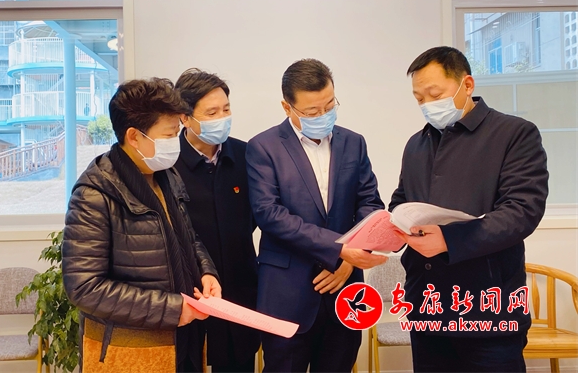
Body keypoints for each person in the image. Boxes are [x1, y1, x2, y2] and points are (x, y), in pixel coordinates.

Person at [392, 46, 548, 372]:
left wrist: (449, 239)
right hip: (427, 305)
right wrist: (391, 225)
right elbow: (402, 200)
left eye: (435, 94)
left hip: (488, 308)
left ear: (467, 84)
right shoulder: (417, 144)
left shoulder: (513, 134)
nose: (427, 104)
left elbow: (522, 211)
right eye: (419, 98)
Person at [62, 78, 222, 373]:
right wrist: (171, 309)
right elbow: (84, 287)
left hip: (183, 341)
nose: (176, 141)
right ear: (134, 136)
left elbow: (187, 237)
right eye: (169, 134)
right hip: (132, 350)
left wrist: (206, 271)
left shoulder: (166, 175)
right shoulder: (94, 194)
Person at [246, 58, 388, 372]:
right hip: (287, 292)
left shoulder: (354, 143)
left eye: (329, 105)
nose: (323, 116)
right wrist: (339, 249)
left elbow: (370, 203)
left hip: (345, 292)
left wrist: (349, 260)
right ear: (287, 107)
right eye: (312, 112)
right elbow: (270, 214)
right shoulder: (263, 147)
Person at [174, 68, 260, 373]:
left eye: (226, 109)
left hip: (240, 285)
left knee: (239, 362)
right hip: (191, 291)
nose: (222, 118)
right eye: (211, 113)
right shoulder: (168, 163)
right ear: (185, 118)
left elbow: (256, 216)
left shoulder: (246, 154)